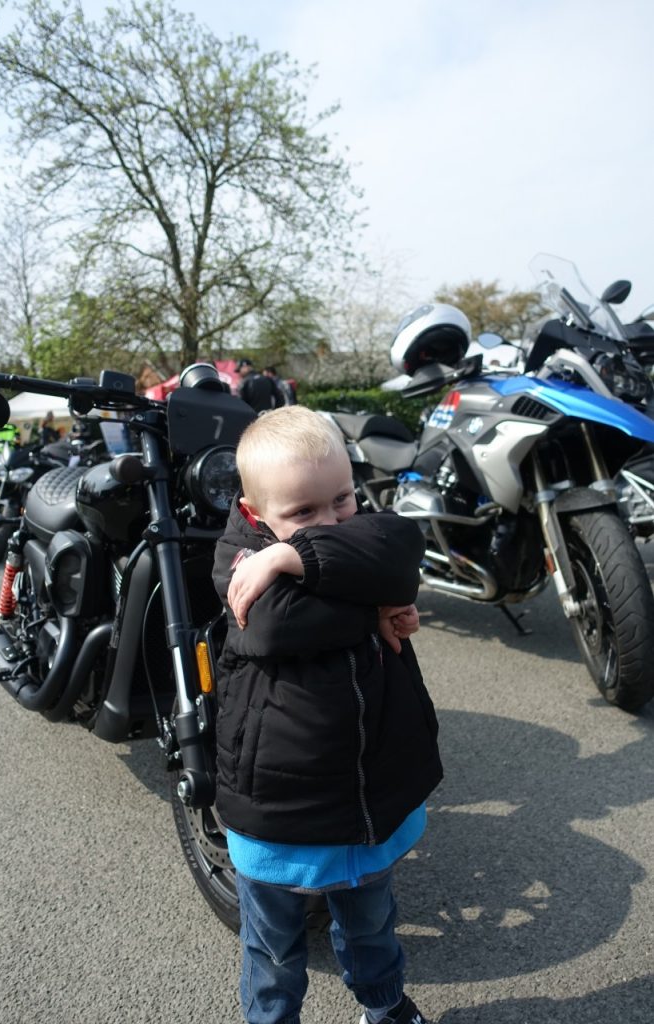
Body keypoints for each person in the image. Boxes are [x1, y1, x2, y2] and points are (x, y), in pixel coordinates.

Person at [212, 406, 442, 1024]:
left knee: (372, 928)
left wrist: (296, 556)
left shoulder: (341, 538)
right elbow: (274, 621)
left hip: (366, 799)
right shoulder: (240, 557)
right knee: (274, 950)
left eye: (342, 500)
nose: (331, 521)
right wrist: (372, 611)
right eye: (303, 514)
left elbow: (403, 548)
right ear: (256, 515)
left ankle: (386, 1006)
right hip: (279, 811)